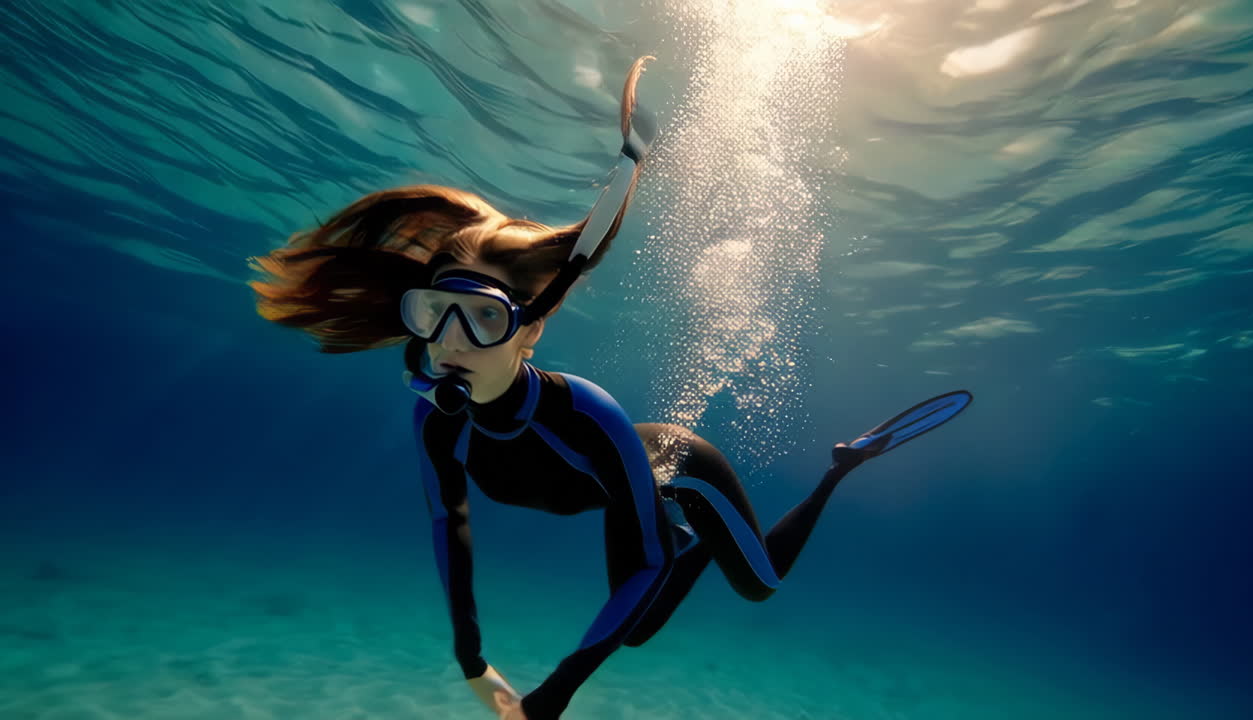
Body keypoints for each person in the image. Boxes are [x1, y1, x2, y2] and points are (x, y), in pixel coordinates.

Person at [249, 57, 972, 720]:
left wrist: (555, 692)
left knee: (758, 584)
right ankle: (692, 542)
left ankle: (844, 464)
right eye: (435, 314)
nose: (451, 343)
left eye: (484, 318)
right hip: (621, 492)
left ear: (530, 331)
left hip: (672, 467)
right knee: (634, 634)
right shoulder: (439, 421)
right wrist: (472, 662)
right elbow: (450, 526)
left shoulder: (585, 417)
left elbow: (642, 563)